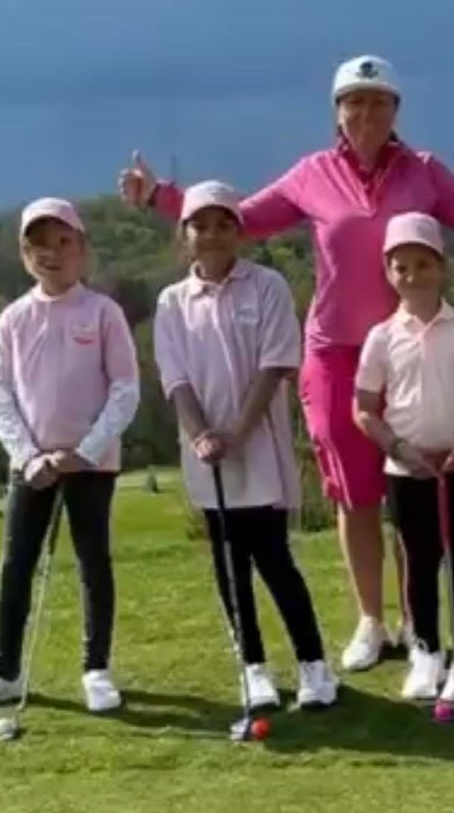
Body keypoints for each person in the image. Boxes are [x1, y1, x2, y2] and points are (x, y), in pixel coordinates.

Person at [120, 54, 454, 671]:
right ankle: (371, 621)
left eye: (379, 101)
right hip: (334, 354)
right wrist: (159, 198)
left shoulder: (424, 172)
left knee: (409, 491)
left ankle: (416, 622)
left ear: (396, 110)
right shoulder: (312, 173)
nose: (367, 112)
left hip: (408, 350)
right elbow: (238, 220)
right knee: (356, 495)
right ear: (337, 112)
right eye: (354, 101)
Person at [0, 197, 140, 714]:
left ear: (82, 249)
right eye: (38, 245)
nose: (51, 254)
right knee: (16, 566)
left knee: (93, 563)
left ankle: (96, 670)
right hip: (30, 465)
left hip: (91, 463)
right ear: (24, 254)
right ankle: (5, 673)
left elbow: (125, 389)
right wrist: (29, 456)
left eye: (62, 242)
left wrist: (86, 451)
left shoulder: (102, 312)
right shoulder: (13, 318)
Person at [153, 180, 339, 709]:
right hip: (206, 454)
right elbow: (176, 379)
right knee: (228, 565)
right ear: (185, 234)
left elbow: (274, 365)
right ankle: (253, 667)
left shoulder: (267, 286)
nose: (212, 235)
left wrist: (237, 432)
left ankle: (314, 665)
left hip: (259, 449)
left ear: (240, 232)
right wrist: (202, 434)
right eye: (200, 226)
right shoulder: (172, 302)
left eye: (223, 225)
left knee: (274, 559)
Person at [354, 212, 454, 704]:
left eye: (423, 264)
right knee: (418, 564)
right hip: (408, 470)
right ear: (388, 273)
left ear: (441, 267)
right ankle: (425, 651)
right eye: (401, 267)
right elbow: (364, 408)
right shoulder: (381, 337)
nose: (413, 275)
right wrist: (398, 448)